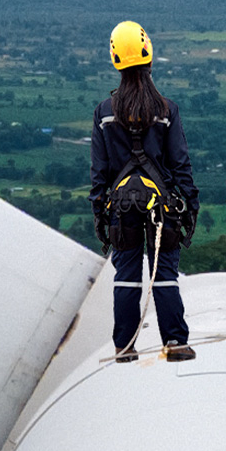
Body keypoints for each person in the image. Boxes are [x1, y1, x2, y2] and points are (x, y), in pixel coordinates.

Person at [88, 20, 198, 361]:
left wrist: (99, 212)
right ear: (149, 54)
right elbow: (180, 164)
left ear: (115, 59)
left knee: (127, 275)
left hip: (122, 208)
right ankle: (175, 341)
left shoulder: (105, 113)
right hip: (160, 206)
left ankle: (124, 345)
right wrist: (190, 205)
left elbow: (100, 172)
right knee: (163, 271)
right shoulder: (166, 110)